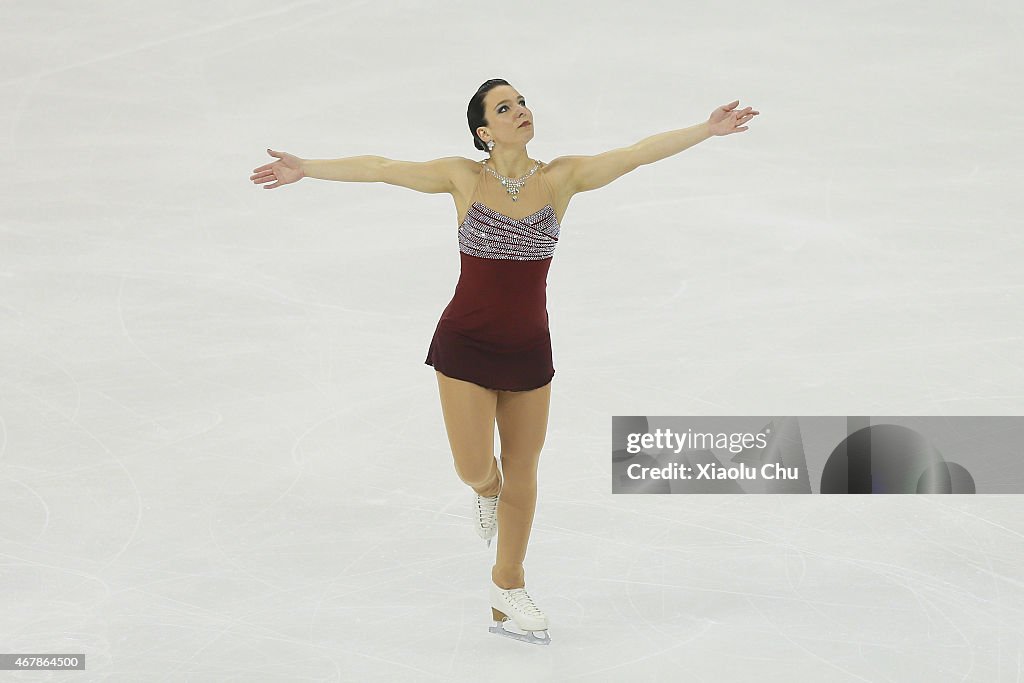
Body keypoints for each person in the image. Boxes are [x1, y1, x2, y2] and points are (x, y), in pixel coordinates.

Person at [249, 78, 759, 645]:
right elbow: (381, 166)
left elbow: (633, 155)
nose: (521, 111)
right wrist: (309, 167)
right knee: (475, 468)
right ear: (483, 132)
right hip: (466, 345)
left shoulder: (559, 178)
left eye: (522, 103)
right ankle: (485, 492)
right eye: (505, 108)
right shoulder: (460, 178)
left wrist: (705, 131)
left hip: (529, 351)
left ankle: (507, 584)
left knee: (527, 472)